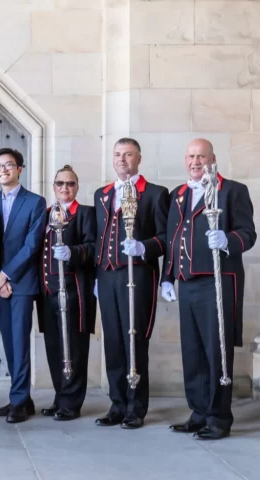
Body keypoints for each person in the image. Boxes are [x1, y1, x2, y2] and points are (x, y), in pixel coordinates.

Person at [161, 138, 256, 440]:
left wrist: (228, 240)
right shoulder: (178, 194)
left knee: (217, 352)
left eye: (201, 156)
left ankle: (218, 418)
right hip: (187, 283)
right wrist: (167, 277)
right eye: (190, 156)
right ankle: (199, 412)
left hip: (217, 282)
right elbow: (172, 238)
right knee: (192, 352)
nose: (195, 162)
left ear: (213, 159)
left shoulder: (233, 190)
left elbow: (248, 233)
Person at [93, 138, 169, 430]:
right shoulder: (102, 194)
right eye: (117, 154)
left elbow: (165, 238)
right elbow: (100, 237)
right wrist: (98, 274)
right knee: (112, 342)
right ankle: (117, 404)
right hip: (107, 276)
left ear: (139, 158)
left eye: (128, 154)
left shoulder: (155, 194)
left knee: (134, 341)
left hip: (138, 276)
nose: (122, 159)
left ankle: (135, 408)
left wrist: (143, 247)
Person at [0, 148, 47, 424]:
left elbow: (32, 244)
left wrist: (6, 275)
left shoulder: (35, 202)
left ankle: (19, 401)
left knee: (20, 342)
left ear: (20, 169)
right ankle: (20, 398)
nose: (3, 169)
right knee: (10, 343)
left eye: (9, 165)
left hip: (21, 282)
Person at [38, 165, 97, 421]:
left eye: (70, 184)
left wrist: (73, 252)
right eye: (60, 183)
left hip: (74, 292)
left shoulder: (85, 213)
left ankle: (71, 403)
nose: (65, 188)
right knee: (54, 347)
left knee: (74, 348)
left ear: (77, 187)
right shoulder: (46, 214)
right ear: (54, 187)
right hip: (47, 292)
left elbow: (94, 247)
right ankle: (60, 396)